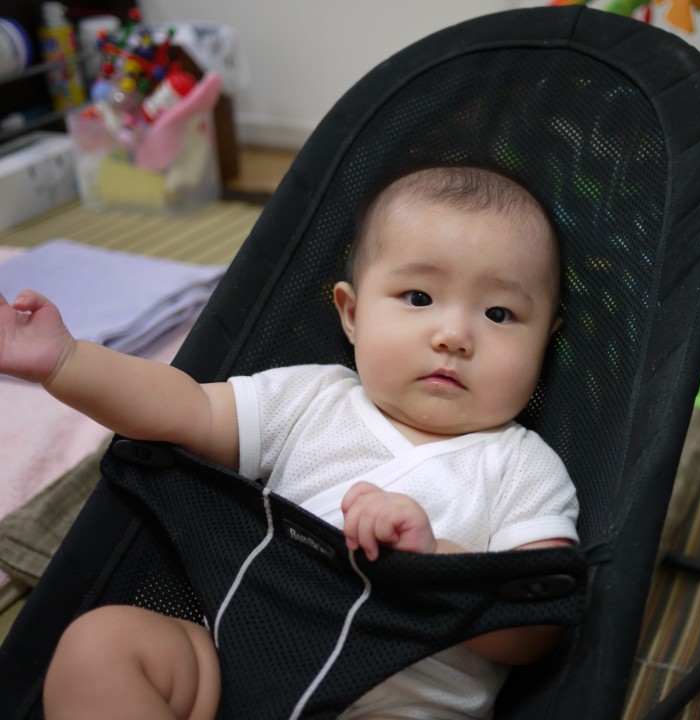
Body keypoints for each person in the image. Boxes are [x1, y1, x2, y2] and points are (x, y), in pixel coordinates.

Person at [0, 166, 579, 720]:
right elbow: (184, 407)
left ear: (545, 338)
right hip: (227, 666)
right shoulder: (311, 399)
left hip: (398, 702)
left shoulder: (525, 468)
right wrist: (66, 361)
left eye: (499, 313)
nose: (453, 336)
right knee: (101, 643)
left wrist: (434, 564)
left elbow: (535, 630)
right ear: (352, 314)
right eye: (418, 298)